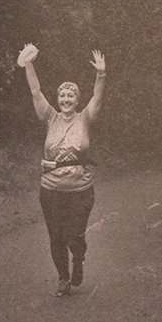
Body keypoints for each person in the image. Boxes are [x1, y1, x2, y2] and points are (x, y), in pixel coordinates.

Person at [18, 44, 106, 295]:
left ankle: (78, 258)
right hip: (51, 189)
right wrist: (28, 64)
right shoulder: (50, 117)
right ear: (58, 100)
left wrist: (101, 74)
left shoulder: (85, 118)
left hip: (81, 189)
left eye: (71, 96)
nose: (66, 100)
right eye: (62, 96)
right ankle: (63, 278)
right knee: (56, 235)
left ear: (77, 100)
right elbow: (36, 91)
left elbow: (97, 98)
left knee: (75, 235)